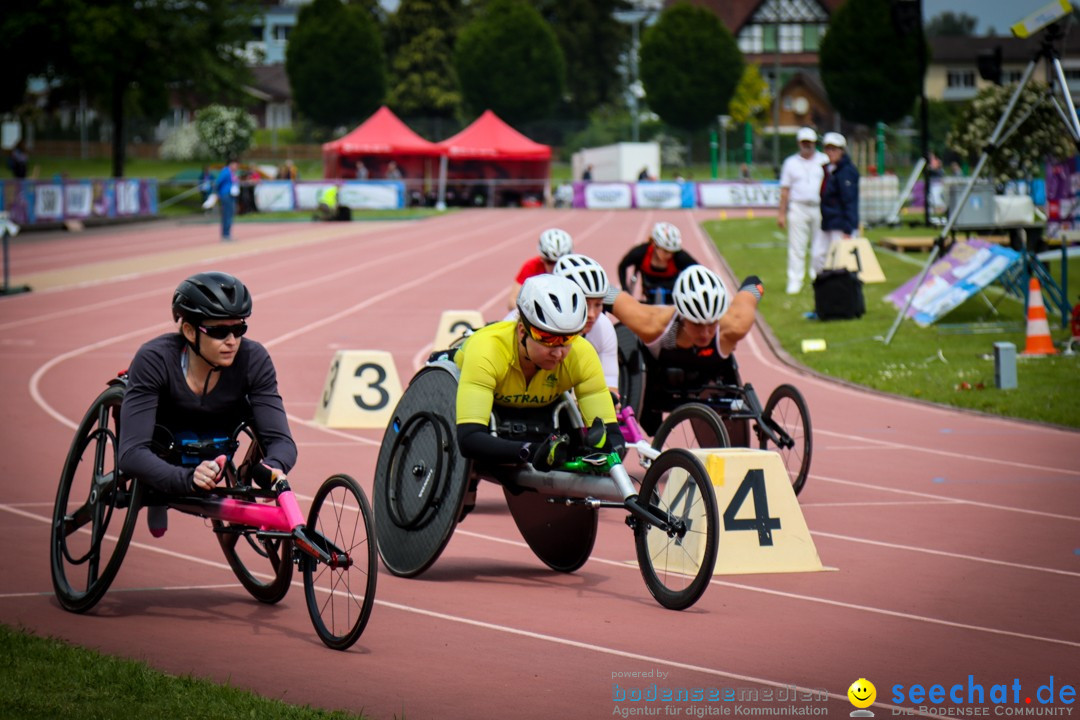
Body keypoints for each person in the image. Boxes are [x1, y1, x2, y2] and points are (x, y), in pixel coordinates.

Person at [118, 272, 297, 536]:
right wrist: (185, 479)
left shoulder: (254, 359)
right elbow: (130, 453)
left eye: (239, 330)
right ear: (189, 331)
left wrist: (274, 464)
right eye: (219, 331)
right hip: (164, 444)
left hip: (218, 440)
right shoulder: (153, 359)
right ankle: (155, 491)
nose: (232, 341)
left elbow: (282, 439)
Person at [455, 274, 622, 470]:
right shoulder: (487, 350)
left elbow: (612, 433)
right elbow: (469, 439)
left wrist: (608, 449)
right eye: (549, 339)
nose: (559, 352)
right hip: (489, 405)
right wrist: (531, 451)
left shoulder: (581, 354)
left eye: (568, 338)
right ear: (522, 332)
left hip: (541, 409)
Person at [605, 265, 762, 435]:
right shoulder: (653, 324)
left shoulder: (734, 325)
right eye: (697, 324)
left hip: (710, 370)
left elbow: (754, 284)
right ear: (683, 316)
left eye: (711, 324)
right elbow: (607, 294)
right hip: (657, 377)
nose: (705, 333)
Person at [501, 255, 620, 398]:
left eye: (598, 304)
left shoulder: (603, 327)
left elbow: (610, 386)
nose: (592, 315)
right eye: (585, 304)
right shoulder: (515, 321)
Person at [777, 127, 829, 295]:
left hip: (819, 207)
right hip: (798, 206)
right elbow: (785, 189)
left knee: (820, 246)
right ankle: (795, 280)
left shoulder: (824, 160)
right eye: (804, 143)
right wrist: (781, 213)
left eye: (810, 143)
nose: (807, 146)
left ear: (815, 143)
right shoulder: (790, 163)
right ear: (799, 143)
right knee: (796, 246)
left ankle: (818, 278)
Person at [616, 221, 699, 305]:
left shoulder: (679, 256)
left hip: (672, 295)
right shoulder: (641, 252)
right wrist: (625, 289)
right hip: (649, 292)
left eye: (672, 251)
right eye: (666, 251)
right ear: (654, 244)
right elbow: (622, 266)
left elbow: (699, 270)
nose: (669, 255)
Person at [819, 132, 859, 273]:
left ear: (842, 150)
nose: (830, 152)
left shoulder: (846, 171)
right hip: (829, 221)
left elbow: (849, 201)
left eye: (834, 149)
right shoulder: (830, 169)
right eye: (828, 149)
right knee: (820, 256)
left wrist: (849, 228)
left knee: (840, 261)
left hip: (841, 223)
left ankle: (841, 289)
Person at [507, 227, 573, 310]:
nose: (554, 267)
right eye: (549, 262)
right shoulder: (531, 266)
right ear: (542, 257)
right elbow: (512, 301)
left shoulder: (575, 269)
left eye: (559, 262)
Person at [213, 158, 239, 241]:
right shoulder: (226, 172)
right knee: (227, 214)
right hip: (226, 195)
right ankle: (226, 234)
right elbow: (218, 182)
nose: (236, 167)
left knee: (230, 214)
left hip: (231, 195)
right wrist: (217, 193)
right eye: (235, 165)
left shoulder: (232, 173)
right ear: (231, 164)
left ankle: (227, 233)